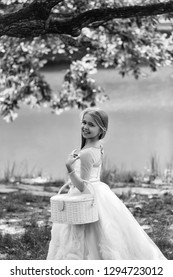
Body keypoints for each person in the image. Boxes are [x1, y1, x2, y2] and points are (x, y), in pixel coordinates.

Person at [47, 107, 166, 260]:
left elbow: (83, 186)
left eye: (91, 125)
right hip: (99, 190)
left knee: (85, 232)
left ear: (101, 129)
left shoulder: (86, 153)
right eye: (84, 122)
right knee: (105, 230)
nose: (85, 127)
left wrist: (70, 169)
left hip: (87, 195)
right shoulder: (98, 147)